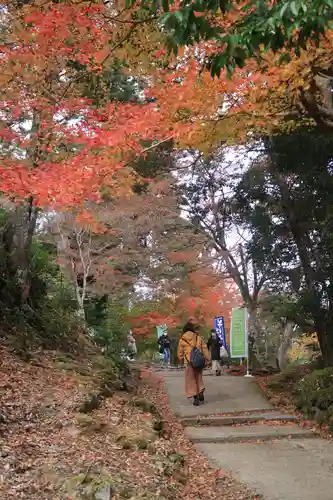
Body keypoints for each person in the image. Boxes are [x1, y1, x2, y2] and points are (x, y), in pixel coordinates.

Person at [177, 321, 210, 406]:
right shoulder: (198, 337)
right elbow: (204, 348)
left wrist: (181, 359)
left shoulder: (182, 339)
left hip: (188, 362)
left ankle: (195, 398)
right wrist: (207, 359)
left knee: (191, 380)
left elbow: (180, 352)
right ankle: (200, 391)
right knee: (198, 377)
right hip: (199, 361)